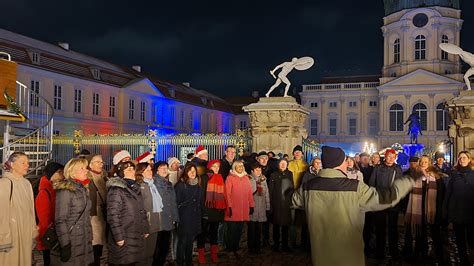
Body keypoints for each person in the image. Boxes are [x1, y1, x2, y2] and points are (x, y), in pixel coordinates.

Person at [292, 146, 415, 266]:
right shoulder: (355, 187)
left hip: (321, 256)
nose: (347, 163)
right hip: (349, 255)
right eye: (345, 160)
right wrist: (409, 181)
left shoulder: (307, 187)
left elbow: (293, 201)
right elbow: (385, 198)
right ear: (339, 163)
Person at [107, 161, 149, 266]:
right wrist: (119, 237)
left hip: (135, 234)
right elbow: (113, 215)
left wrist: (145, 228)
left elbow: (142, 210)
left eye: (133, 169)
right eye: (128, 169)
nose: (132, 171)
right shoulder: (116, 189)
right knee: (124, 261)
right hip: (124, 236)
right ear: (121, 173)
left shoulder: (135, 187)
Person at [403, 155, 445, 261]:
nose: (423, 163)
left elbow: (441, 193)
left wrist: (439, 208)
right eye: (421, 161)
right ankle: (419, 253)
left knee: (435, 232)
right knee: (419, 233)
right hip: (417, 208)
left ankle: (439, 255)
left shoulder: (436, 176)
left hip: (431, 209)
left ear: (429, 163)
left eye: (426, 161)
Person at [53, 157, 94, 265]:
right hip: (72, 239)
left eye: (86, 168)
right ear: (72, 171)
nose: (86, 171)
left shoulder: (83, 188)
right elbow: (60, 220)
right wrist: (65, 244)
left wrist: (89, 237)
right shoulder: (66, 190)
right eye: (82, 168)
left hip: (83, 238)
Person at [0, 152, 38, 266]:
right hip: (11, 234)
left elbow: (31, 211)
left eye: (28, 163)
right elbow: (2, 214)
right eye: (23, 163)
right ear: (12, 164)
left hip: (25, 232)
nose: (27, 165)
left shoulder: (27, 184)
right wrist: (4, 238)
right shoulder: (4, 184)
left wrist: (33, 231)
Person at [369, 149, 404, 259]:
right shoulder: (378, 168)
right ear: (385, 156)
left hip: (393, 202)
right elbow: (372, 183)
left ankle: (394, 251)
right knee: (380, 227)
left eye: (393, 157)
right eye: (389, 156)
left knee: (393, 227)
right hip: (381, 201)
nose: (391, 159)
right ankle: (380, 251)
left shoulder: (397, 168)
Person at [443, 151, 474, 265]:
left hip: (471, 211)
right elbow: (449, 193)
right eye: (460, 158)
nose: (462, 159)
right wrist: (445, 209)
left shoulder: (473, 173)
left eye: (464, 157)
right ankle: (464, 260)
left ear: (469, 159)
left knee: (471, 238)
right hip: (457, 211)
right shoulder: (454, 174)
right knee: (460, 239)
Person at [197, 160, 226, 263]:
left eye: (218, 166)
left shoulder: (220, 177)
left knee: (214, 233)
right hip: (206, 209)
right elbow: (200, 194)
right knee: (202, 233)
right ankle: (201, 255)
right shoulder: (204, 177)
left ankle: (214, 254)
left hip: (216, 209)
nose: (216, 168)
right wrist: (202, 210)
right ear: (210, 167)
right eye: (214, 166)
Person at [35, 162, 64, 266]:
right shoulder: (44, 192)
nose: (62, 175)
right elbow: (45, 219)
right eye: (59, 172)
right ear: (51, 174)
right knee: (49, 261)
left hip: (58, 231)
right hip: (49, 235)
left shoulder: (57, 189)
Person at [224, 160, 255, 259]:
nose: (240, 168)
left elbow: (249, 193)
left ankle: (236, 248)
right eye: (238, 166)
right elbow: (227, 194)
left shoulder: (246, 178)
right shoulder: (230, 178)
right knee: (231, 232)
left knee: (239, 231)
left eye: (242, 166)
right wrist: (229, 206)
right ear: (234, 168)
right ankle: (229, 249)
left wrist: (251, 205)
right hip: (233, 210)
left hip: (243, 210)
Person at [175, 164, 202, 266]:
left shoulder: (198, 186)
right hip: (184, 217)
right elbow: (176, 202)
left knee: (190, 241)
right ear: (186, 172)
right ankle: (180, 262)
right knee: (182, 241)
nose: (192, 173)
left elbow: (199, 202)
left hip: (194, 217)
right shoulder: (181, 185)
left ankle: (189, 261)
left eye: (194, 171)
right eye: (190, 171)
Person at [136, 162, 162, 266]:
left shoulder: (152, 185)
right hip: (145, 225)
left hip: (154, 224)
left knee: (151, 253)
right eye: (147, 170)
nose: (150, 172)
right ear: (140, 173)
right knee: (142, 255)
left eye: (150, 169)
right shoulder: (139, 186)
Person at [153, 161, 179, 266]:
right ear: (156, 171)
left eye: (165, 168)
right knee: (157, 247)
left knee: (164, 246)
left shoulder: (169, 184)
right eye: (161, 168)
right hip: (159, 220)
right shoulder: (153, 184)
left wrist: (175, 217)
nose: (164, 170)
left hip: (168, 220)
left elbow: (173, 202)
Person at [269, 159, 294, 252]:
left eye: (285, 164)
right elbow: (271, 190)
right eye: (281, 164)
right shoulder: (273, 174)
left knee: (285, 226)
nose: (283, 165)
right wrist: (270, 204)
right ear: (278, 165)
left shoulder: (290, 174)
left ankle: (285, 244)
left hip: (286, 203)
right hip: (276, 203)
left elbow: (292, 188)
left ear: (287, 165)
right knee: (276, 225)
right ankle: (276, 244)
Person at [86, 154, 108, 266]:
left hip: (104, 214)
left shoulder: (104, 176)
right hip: (94, 216)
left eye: (102, 162)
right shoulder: (87, 178)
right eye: (97, 162)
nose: (101, 164)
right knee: (96, 243)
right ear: (90, 164)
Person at [287, 145, 309, 249]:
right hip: (291, 193)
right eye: (295, 152)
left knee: (302, 220)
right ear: (293, 153)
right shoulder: (289, 164)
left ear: (302, 154)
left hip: (302, 194)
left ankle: (304, 242)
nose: (297, 154)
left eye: (299, 152)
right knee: (292, 219)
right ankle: (292, 241)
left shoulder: (306, 165)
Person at [248, 163, 270, 255]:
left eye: (260, 170)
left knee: (258, 229)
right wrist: (257, 184)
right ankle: (251, 247)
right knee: (251, 229)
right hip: (252, 207)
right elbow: (249, 192)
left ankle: (258, 246)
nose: (258, 172)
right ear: (252, 171)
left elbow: (267, 194)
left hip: (261, 207)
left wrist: (268, 206)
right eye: (256, 170)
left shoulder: (263, 180)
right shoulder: (249, 179)